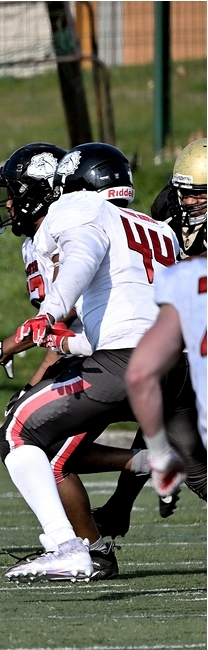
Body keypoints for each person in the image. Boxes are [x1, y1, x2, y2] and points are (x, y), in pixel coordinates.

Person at [0, 142, 203, 582]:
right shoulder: (155, 227)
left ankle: (70, 548)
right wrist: (62, 344)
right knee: (201, 472)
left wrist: (48, 315)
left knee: (18, 432)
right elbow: (129, 314)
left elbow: (83, 257)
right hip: (179, 364)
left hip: (126, 365)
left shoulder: (81, 209)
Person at [0, 142, 156, 541]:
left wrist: (10, 349)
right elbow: (62, 331)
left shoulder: (71, 227)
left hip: (111, 357)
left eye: (17, 193)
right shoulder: (44, 238)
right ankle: (136, 477)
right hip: (131, 352)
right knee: (38, 443)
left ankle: (87, 546)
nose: (9, 203)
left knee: (40, 449)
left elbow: (66, 316)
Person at [126, 142, 208, 510]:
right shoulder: (167, 208)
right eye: (184, 192)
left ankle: (118, 509)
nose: (187, 202)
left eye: (198, 195)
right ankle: (119, 507)